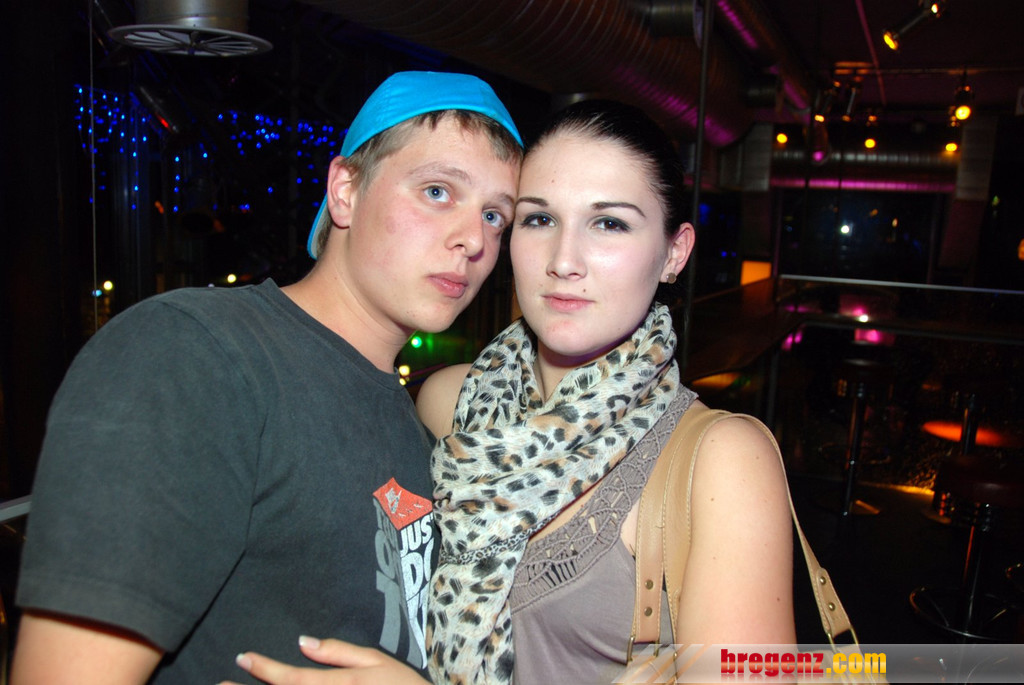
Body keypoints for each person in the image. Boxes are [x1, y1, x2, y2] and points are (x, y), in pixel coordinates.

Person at [228, 99, 794, 685]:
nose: (564, 261)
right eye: (539, 219)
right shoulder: (449, 404)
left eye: (609, 223)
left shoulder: (721, 461)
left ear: (674, 252)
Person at [12, 70, 523, 684]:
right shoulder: (195, 354)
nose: (473, 239)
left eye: (495, 216)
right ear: (345, 191)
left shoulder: (414, 430)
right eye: (437, 191)